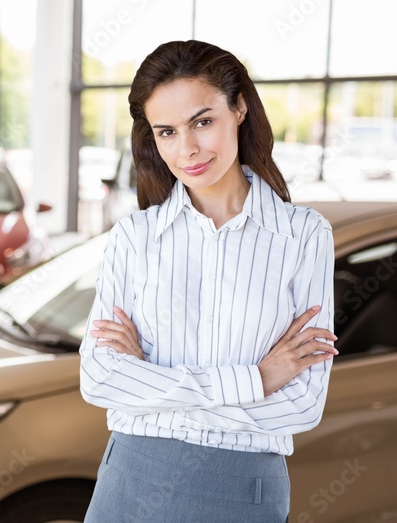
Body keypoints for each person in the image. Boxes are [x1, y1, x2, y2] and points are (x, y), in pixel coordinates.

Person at [79, 40, 336, 522]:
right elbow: (100, 378)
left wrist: (149, 387)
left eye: (202, 121)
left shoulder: (303, 236)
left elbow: (302, 405)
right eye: (167, 131)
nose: (187, 149)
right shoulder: (135, 237)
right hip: (130, 484)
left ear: (238, 107)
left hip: (243, 491)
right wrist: (256, 379)